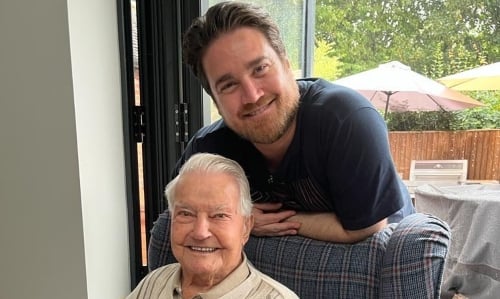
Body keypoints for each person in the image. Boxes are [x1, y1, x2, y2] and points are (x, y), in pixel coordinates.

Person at [176, 1, 414, 244]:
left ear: (287, 65)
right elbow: (177, 211)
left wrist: (244, 220)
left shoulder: (345, 120)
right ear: (216, 101)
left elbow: (367, 226)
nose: (252, 95)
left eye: (260, 69)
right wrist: (238, 217)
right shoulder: (209, 148)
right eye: (229, 85)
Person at [127, 153, 299, 299]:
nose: (200, 233)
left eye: (219, 216)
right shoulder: (154, 282)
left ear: (246, 228)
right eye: (186, 214)